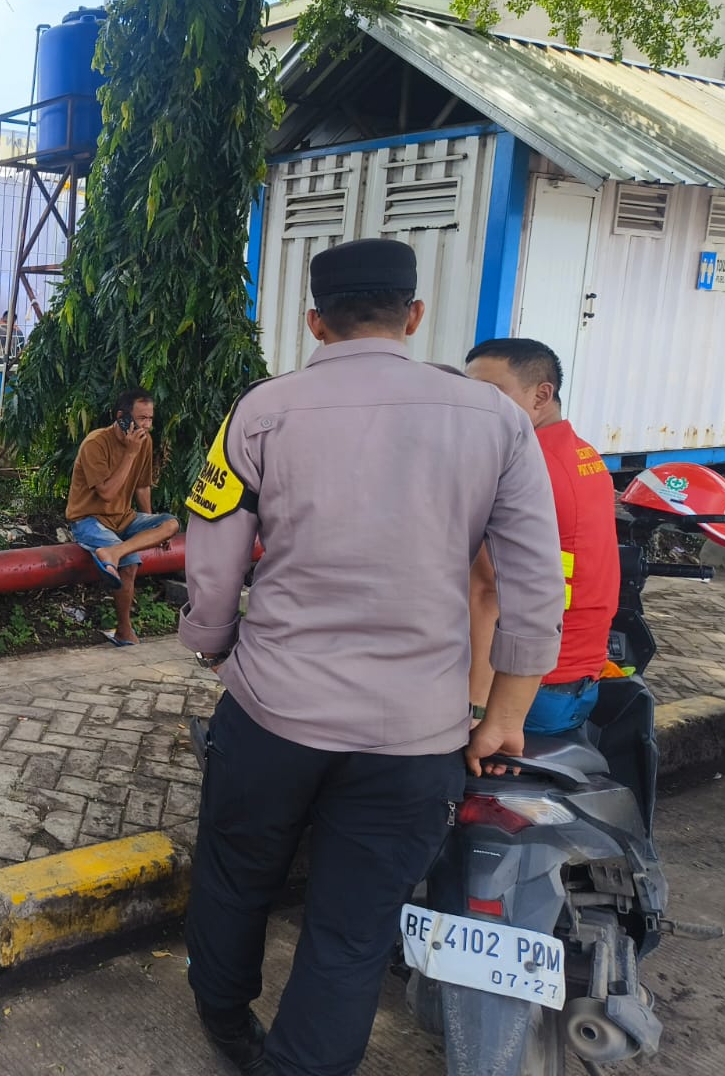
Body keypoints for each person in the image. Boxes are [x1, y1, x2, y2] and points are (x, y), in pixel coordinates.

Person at [178, 238, 566, 1076]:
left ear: (315, 321)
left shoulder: (261, 411)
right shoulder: (497, 420)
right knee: (352, 928)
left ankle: (223, 1013)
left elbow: (212, 555)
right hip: (417, 735)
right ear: (413, 314)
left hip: (272, 712)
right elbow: (535, 584)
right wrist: (504, 715)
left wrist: (211, 644)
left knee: (237, 873)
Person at [466, 338, 619, 735]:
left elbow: (488, 591)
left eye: (491, 393)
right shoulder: (586, 456)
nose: (476, 407)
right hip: (579, 679)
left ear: (541, 395)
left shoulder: (524, 468)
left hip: (528, 688)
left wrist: (478, 711)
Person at [66, 388, 181, 645]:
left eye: (150, 419)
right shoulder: (96, 443)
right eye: (141, 419)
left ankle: (114, 553)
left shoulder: (144, 442)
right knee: (129, 565)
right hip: (89, 519)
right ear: (122, 417)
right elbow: (107, 494)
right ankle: (124, 630)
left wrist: (149, 529)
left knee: (171, 523)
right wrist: (130, 453)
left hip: (124, 518)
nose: (147, 425)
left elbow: (142, 486)